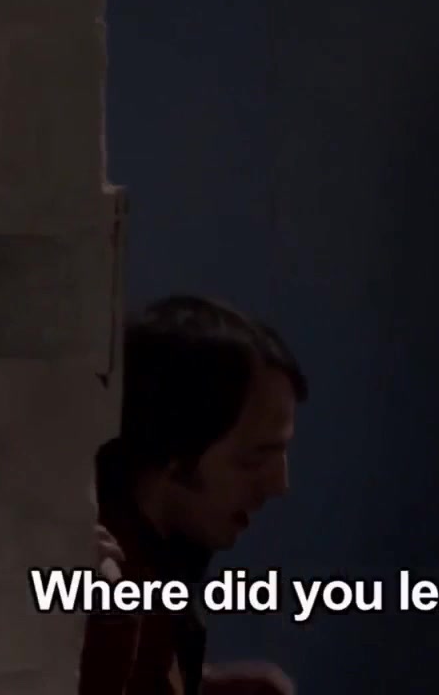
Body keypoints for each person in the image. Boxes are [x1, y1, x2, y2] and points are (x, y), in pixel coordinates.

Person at [80, 295, 308, 695]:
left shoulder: (158, 563)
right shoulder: (102, 591)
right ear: (175, 451)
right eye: (253, 459)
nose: (278, 486)